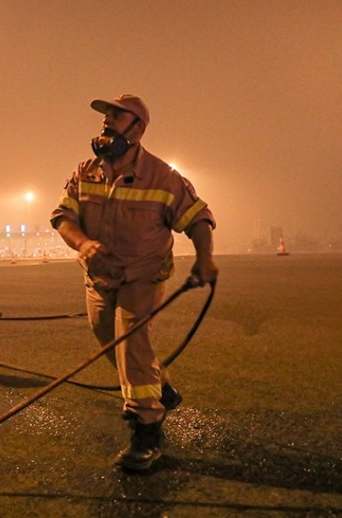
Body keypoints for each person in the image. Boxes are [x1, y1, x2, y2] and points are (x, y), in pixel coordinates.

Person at [50, 94, 218, 472]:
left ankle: (146, 429)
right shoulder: (86, 171)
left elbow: (198, 217)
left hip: (142, 275)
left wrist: (205, 260)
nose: (106, 122)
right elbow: (63, 216)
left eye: (115, 116)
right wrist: (82, 242)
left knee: (131, 344)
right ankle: (162, 388)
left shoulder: (163, 177)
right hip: (100, 277)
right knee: (107, 338)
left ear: (137, 128)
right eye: (104, 116)